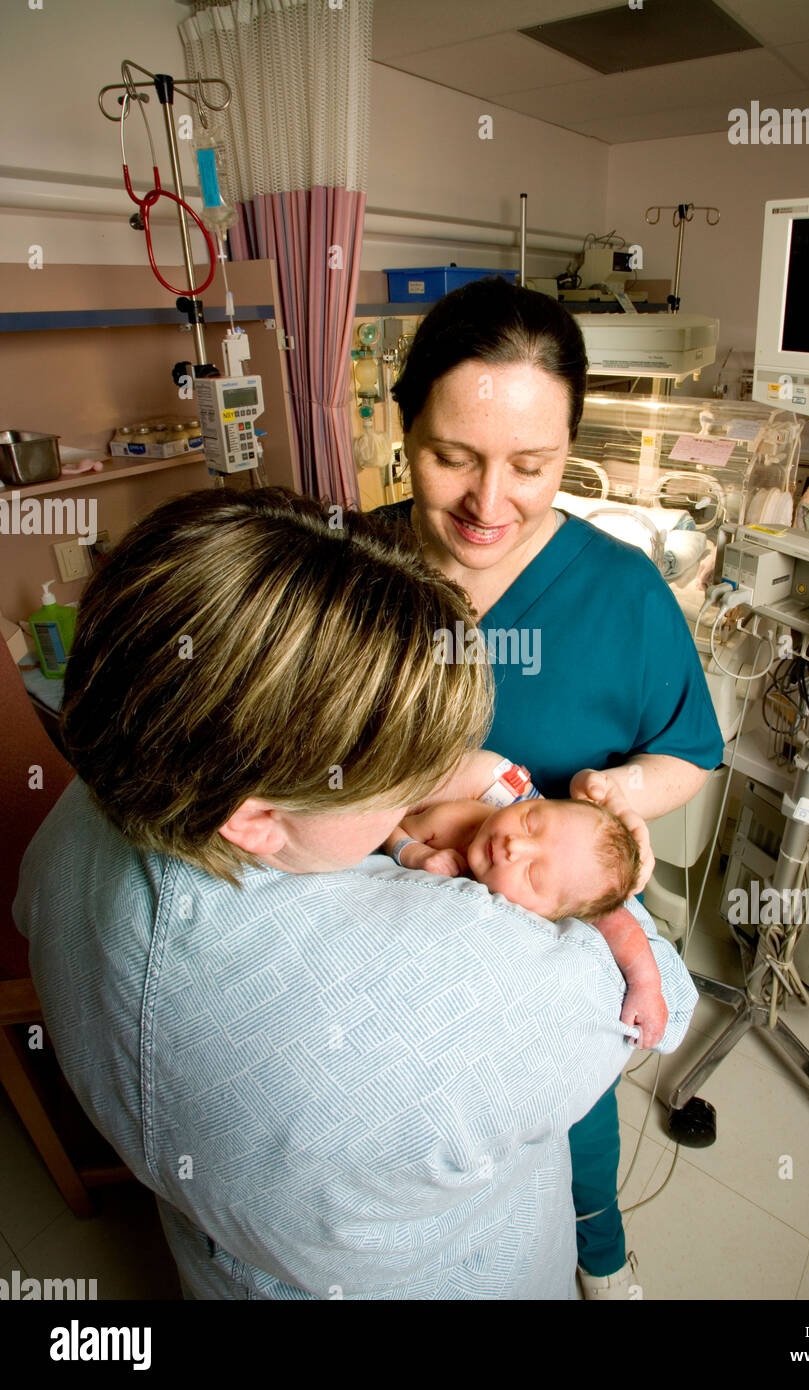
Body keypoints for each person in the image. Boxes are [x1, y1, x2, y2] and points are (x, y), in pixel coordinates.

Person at [14, 487, 697, 1300]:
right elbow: (663, 997)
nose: (431, 787)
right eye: (398, 778)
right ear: (257, 820)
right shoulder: (474, 991)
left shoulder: (70, 826)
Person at [382, 276, 725, 1296]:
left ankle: (597, 1250)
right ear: (405, 430)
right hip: (380, 933)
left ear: (571, 448)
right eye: (453, 458)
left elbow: (689, 751)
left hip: (537, 943)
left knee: (570, 1115)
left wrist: (617, 798)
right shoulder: (346, 564)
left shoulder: (622, 592)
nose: (490, 505)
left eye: (532, 466)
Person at [381, 752, 664, 1048]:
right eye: (529, 821)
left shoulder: (569, 893)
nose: (514, 844)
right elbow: (390, 826)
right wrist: (415, 854)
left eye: (533, 875)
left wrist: (647, 987)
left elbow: (624, 928)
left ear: (555, 912)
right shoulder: (455, 820)